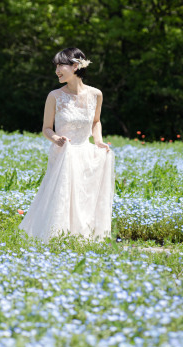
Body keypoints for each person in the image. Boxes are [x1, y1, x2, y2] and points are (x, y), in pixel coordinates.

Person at [19, 47, 115, 241]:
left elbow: (96, 122)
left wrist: (99, 141)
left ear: (75, 66)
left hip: (86, 152)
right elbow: (46, 128)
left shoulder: (96, 94)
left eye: (60, 65)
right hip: (64, 152)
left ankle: (83, 236)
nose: (57, 71)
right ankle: (57, 236)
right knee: (62, 196)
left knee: (84, 196)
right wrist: (56, 139)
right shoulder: (54, 96)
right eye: (56, 66)